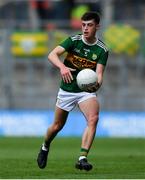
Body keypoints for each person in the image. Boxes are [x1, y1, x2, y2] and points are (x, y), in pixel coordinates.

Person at [37, 11, 109, 171]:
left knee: (93, 119)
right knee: (56, 126)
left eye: (89, 25)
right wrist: (62, 67)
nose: (85, 28)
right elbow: (52, 54)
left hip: (86, 91)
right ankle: (45, 146)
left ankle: (82, 157)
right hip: (67, 89)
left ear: (97, 26)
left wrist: (96, 85)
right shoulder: (73, 41)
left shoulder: (102, 49)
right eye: (83, 25)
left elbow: (99, 74)